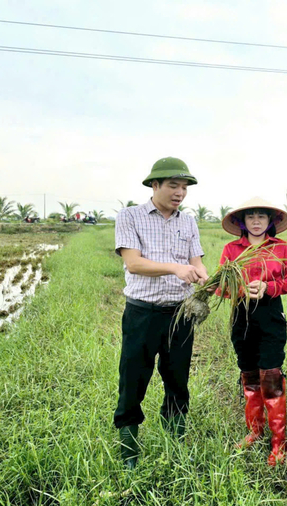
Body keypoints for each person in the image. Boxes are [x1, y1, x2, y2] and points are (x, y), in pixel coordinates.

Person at [114, 157, 209, 469]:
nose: (179, 192)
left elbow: (196, 262)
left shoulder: (188, 222)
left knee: (178, 380)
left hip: (180, 316)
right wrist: (175, 268)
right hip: (143, 314)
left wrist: (205, 277)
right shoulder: (130, 217)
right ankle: (129, 453)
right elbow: (134, 263)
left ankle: (175, 444)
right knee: (133, 379)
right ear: (154, 185)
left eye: (184, 187)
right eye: (173, 185)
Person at [217, 197, 287, 466]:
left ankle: (279, 443)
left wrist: (269, 288)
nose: (255, 221)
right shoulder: (231, 250)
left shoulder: (280, 248)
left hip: (271, 317)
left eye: (261, 217)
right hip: (241, 317)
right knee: (249, 374)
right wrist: (240, 290)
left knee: (271, 376)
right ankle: (255, 430)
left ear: (270, 221)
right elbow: (219, 287)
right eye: (250, 216)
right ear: (242, 222)